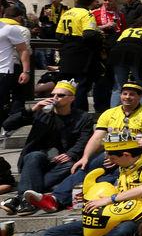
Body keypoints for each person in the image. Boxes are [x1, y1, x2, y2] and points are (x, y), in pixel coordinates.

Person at [1, 80, 92, 216]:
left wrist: (71, 153)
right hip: (37, 160)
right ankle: (29, 199)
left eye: (60, 95)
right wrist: (33, 109)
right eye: (53, 95)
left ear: (72, 98)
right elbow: (8, 124)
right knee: (34, 156)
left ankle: (21, 199)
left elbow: (84, 139)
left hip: (61, 162)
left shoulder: (83, 117)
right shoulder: (42, 112)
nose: (55, 98)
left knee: (72, 164)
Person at [56, 0, 102, 111]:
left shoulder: (67, 13)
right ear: (91, 3)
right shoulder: (86, 14)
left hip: (67, 51)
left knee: (66, 83)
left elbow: (58, 34)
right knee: (81, 84)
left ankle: (66, 109)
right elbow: (89, 34)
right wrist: (99, 35)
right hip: (82, 53)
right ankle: (80, 112)